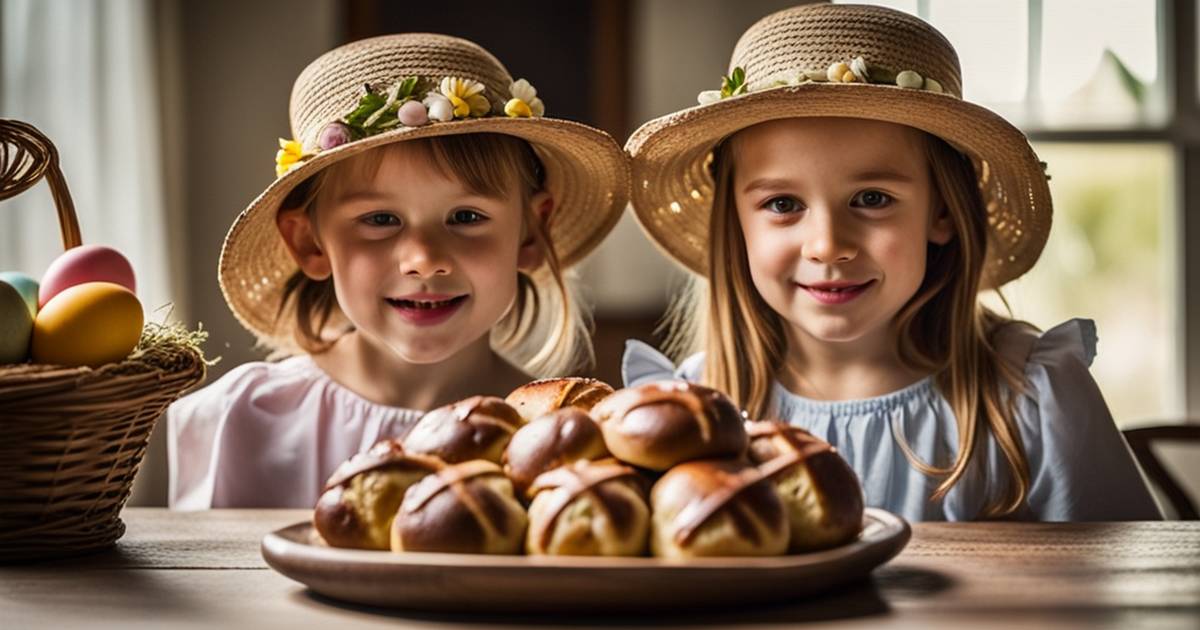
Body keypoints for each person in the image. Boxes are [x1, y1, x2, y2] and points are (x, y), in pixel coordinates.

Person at [622, 4, 1160, 521]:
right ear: (736, 225)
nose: (828, 245)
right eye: (783, 205)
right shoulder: (694, 413)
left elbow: (1125, 589)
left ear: (943, 213)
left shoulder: (1030, 399)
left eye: (873, 198)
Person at [168, 33, 629, 509]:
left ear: (532, 232)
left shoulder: (557, 439)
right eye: (380, 220)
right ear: (309, 242)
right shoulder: (241, 419)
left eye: (466, 217)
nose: (424, 259)